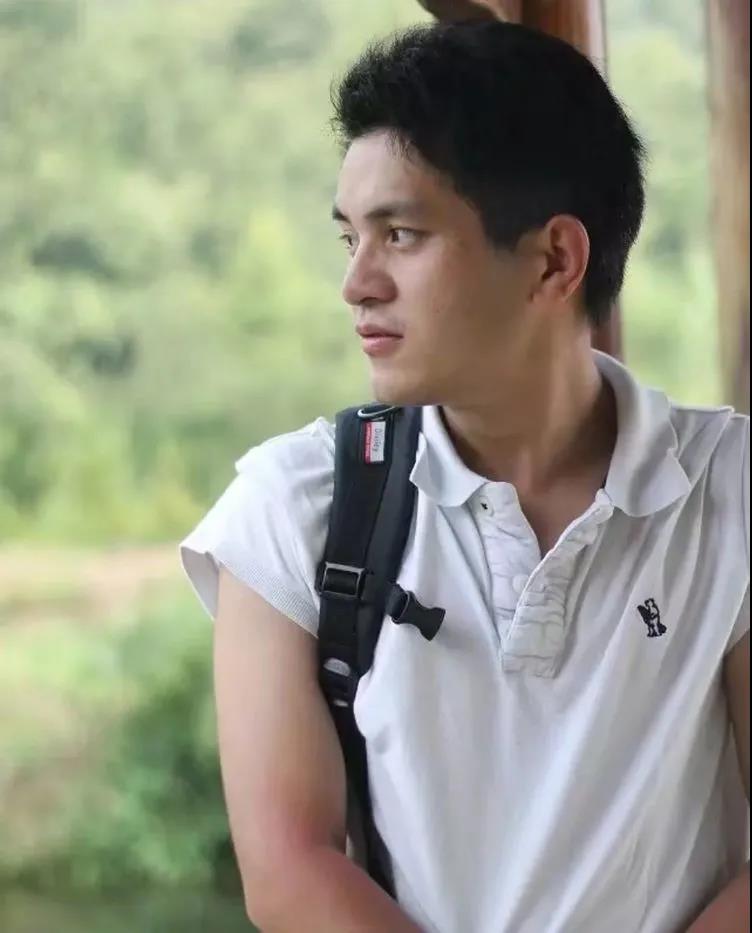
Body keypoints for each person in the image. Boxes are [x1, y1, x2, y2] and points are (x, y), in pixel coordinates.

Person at [179, 20, 750, 933]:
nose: (357, 283)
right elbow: (289, 869)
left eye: (401, 234)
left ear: (554, 260)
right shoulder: (292, 506)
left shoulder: (732, 491)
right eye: (350, 239)